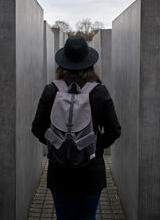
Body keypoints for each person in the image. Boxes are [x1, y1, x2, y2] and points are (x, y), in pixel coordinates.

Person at [32, 35, 121, 220]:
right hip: (91, 173)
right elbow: (114, 130)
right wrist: (93, 146)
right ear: (89, 63)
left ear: (62, 63)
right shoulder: (99, 91)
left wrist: (57, 144)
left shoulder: (51, 90)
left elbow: (37, 128)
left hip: (59, 173)